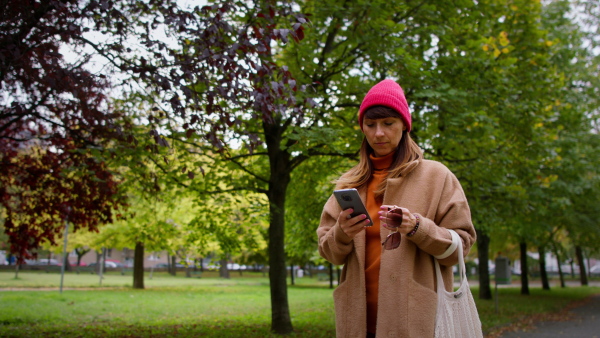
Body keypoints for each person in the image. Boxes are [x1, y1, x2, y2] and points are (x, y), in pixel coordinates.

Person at [317, 79, 477, 337]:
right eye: (370, 125)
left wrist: (417, 228)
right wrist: (342, 233)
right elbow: (329, 253)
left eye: (388, 123)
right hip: (357, 322)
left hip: (415, 320)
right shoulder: (350, 184)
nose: (378, 133)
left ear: (404, 125)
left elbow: (461, 247)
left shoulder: (436, 176)